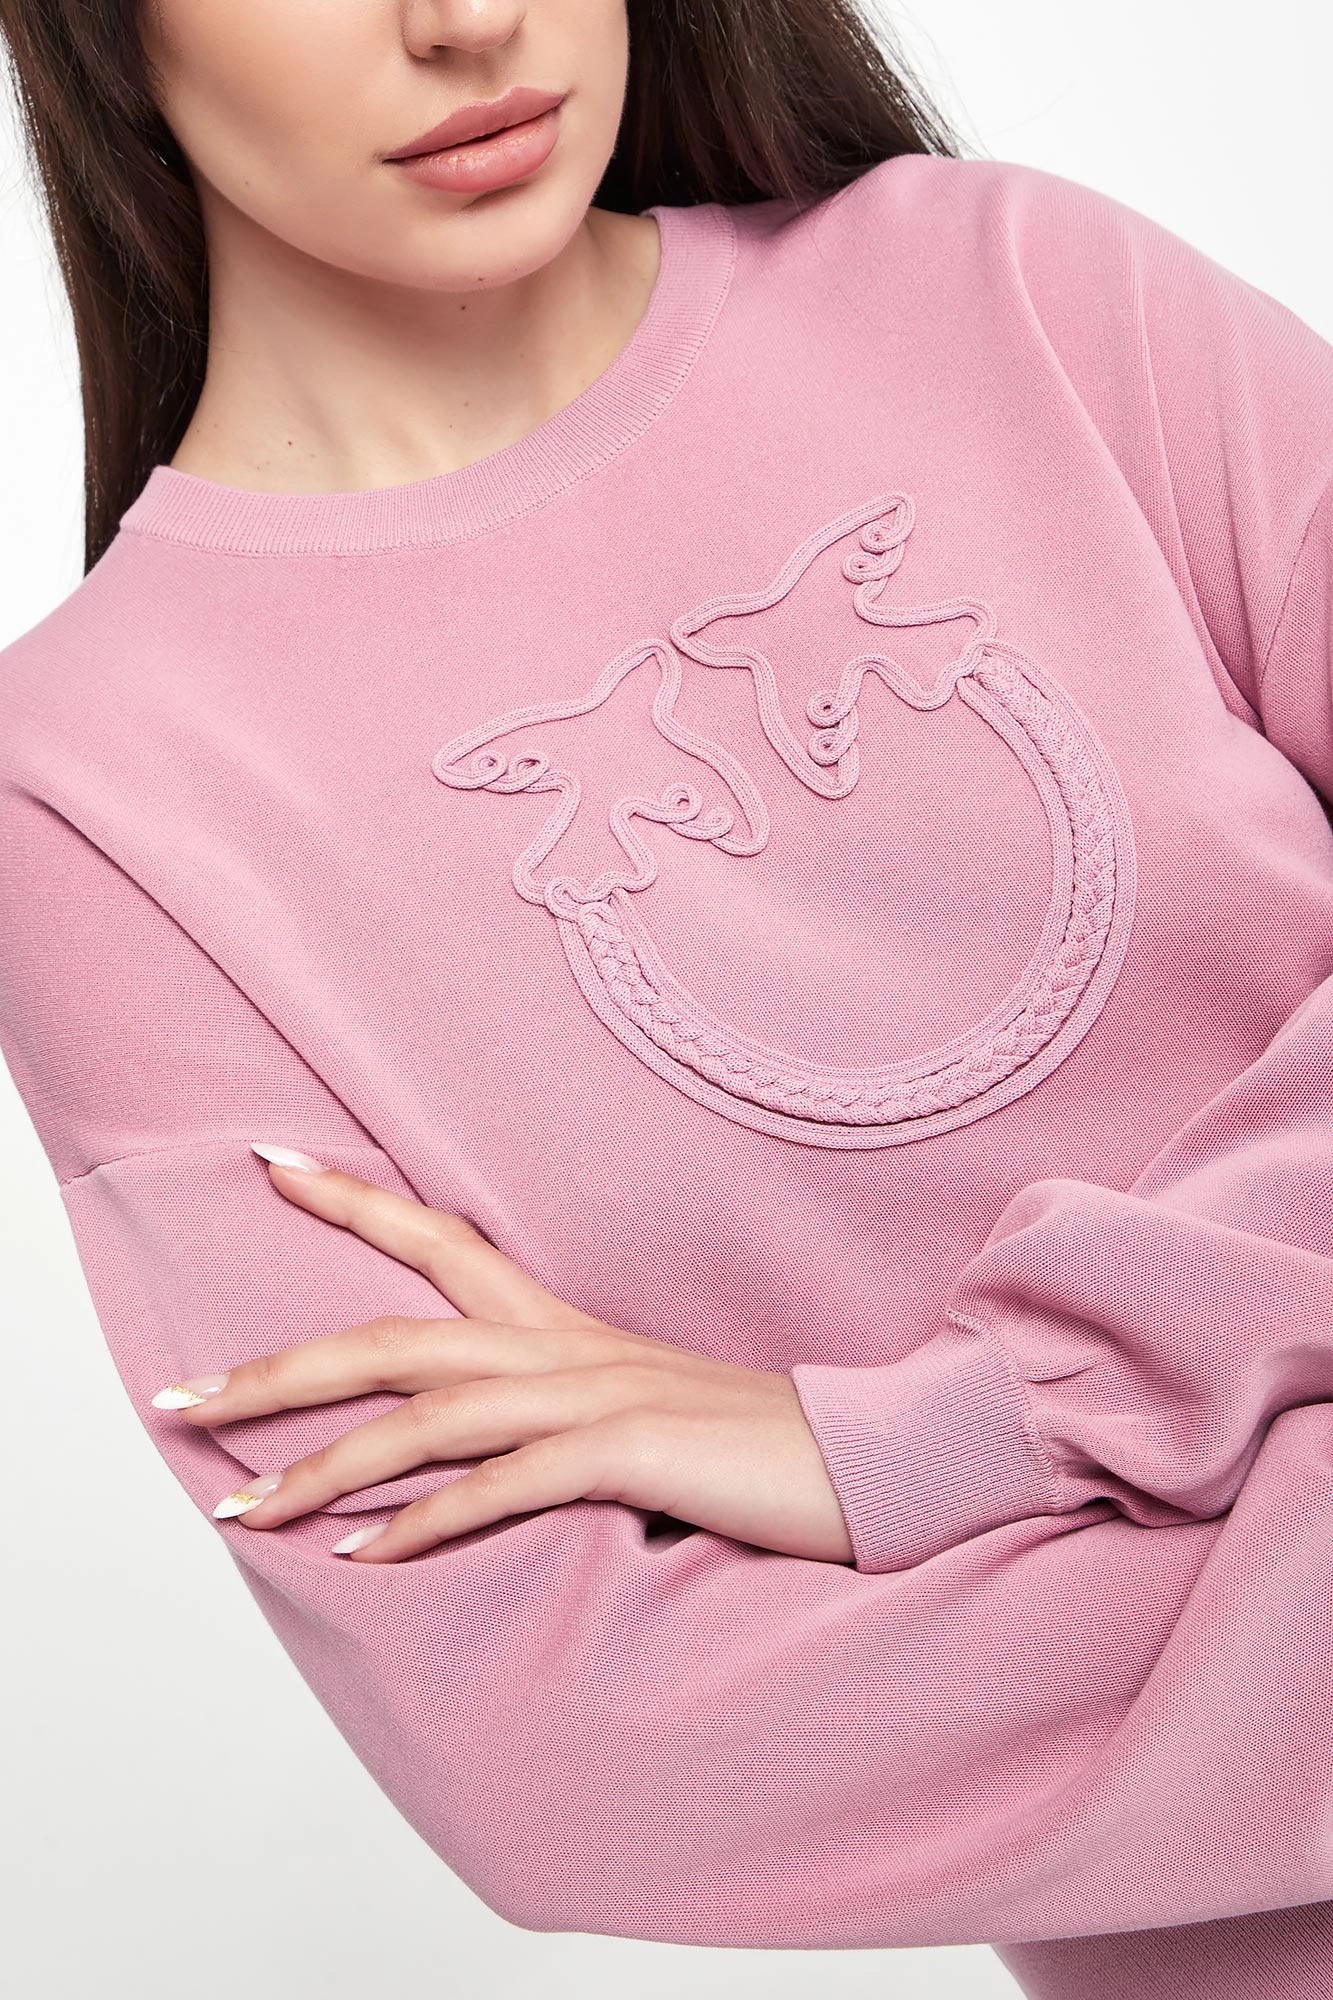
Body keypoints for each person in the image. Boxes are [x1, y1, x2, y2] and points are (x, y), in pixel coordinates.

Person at [1, 2, 1331, 1995]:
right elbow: (581, 1764)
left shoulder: (1020, 296)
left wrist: (928, 1438)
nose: (465, 21)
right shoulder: (95, 795)